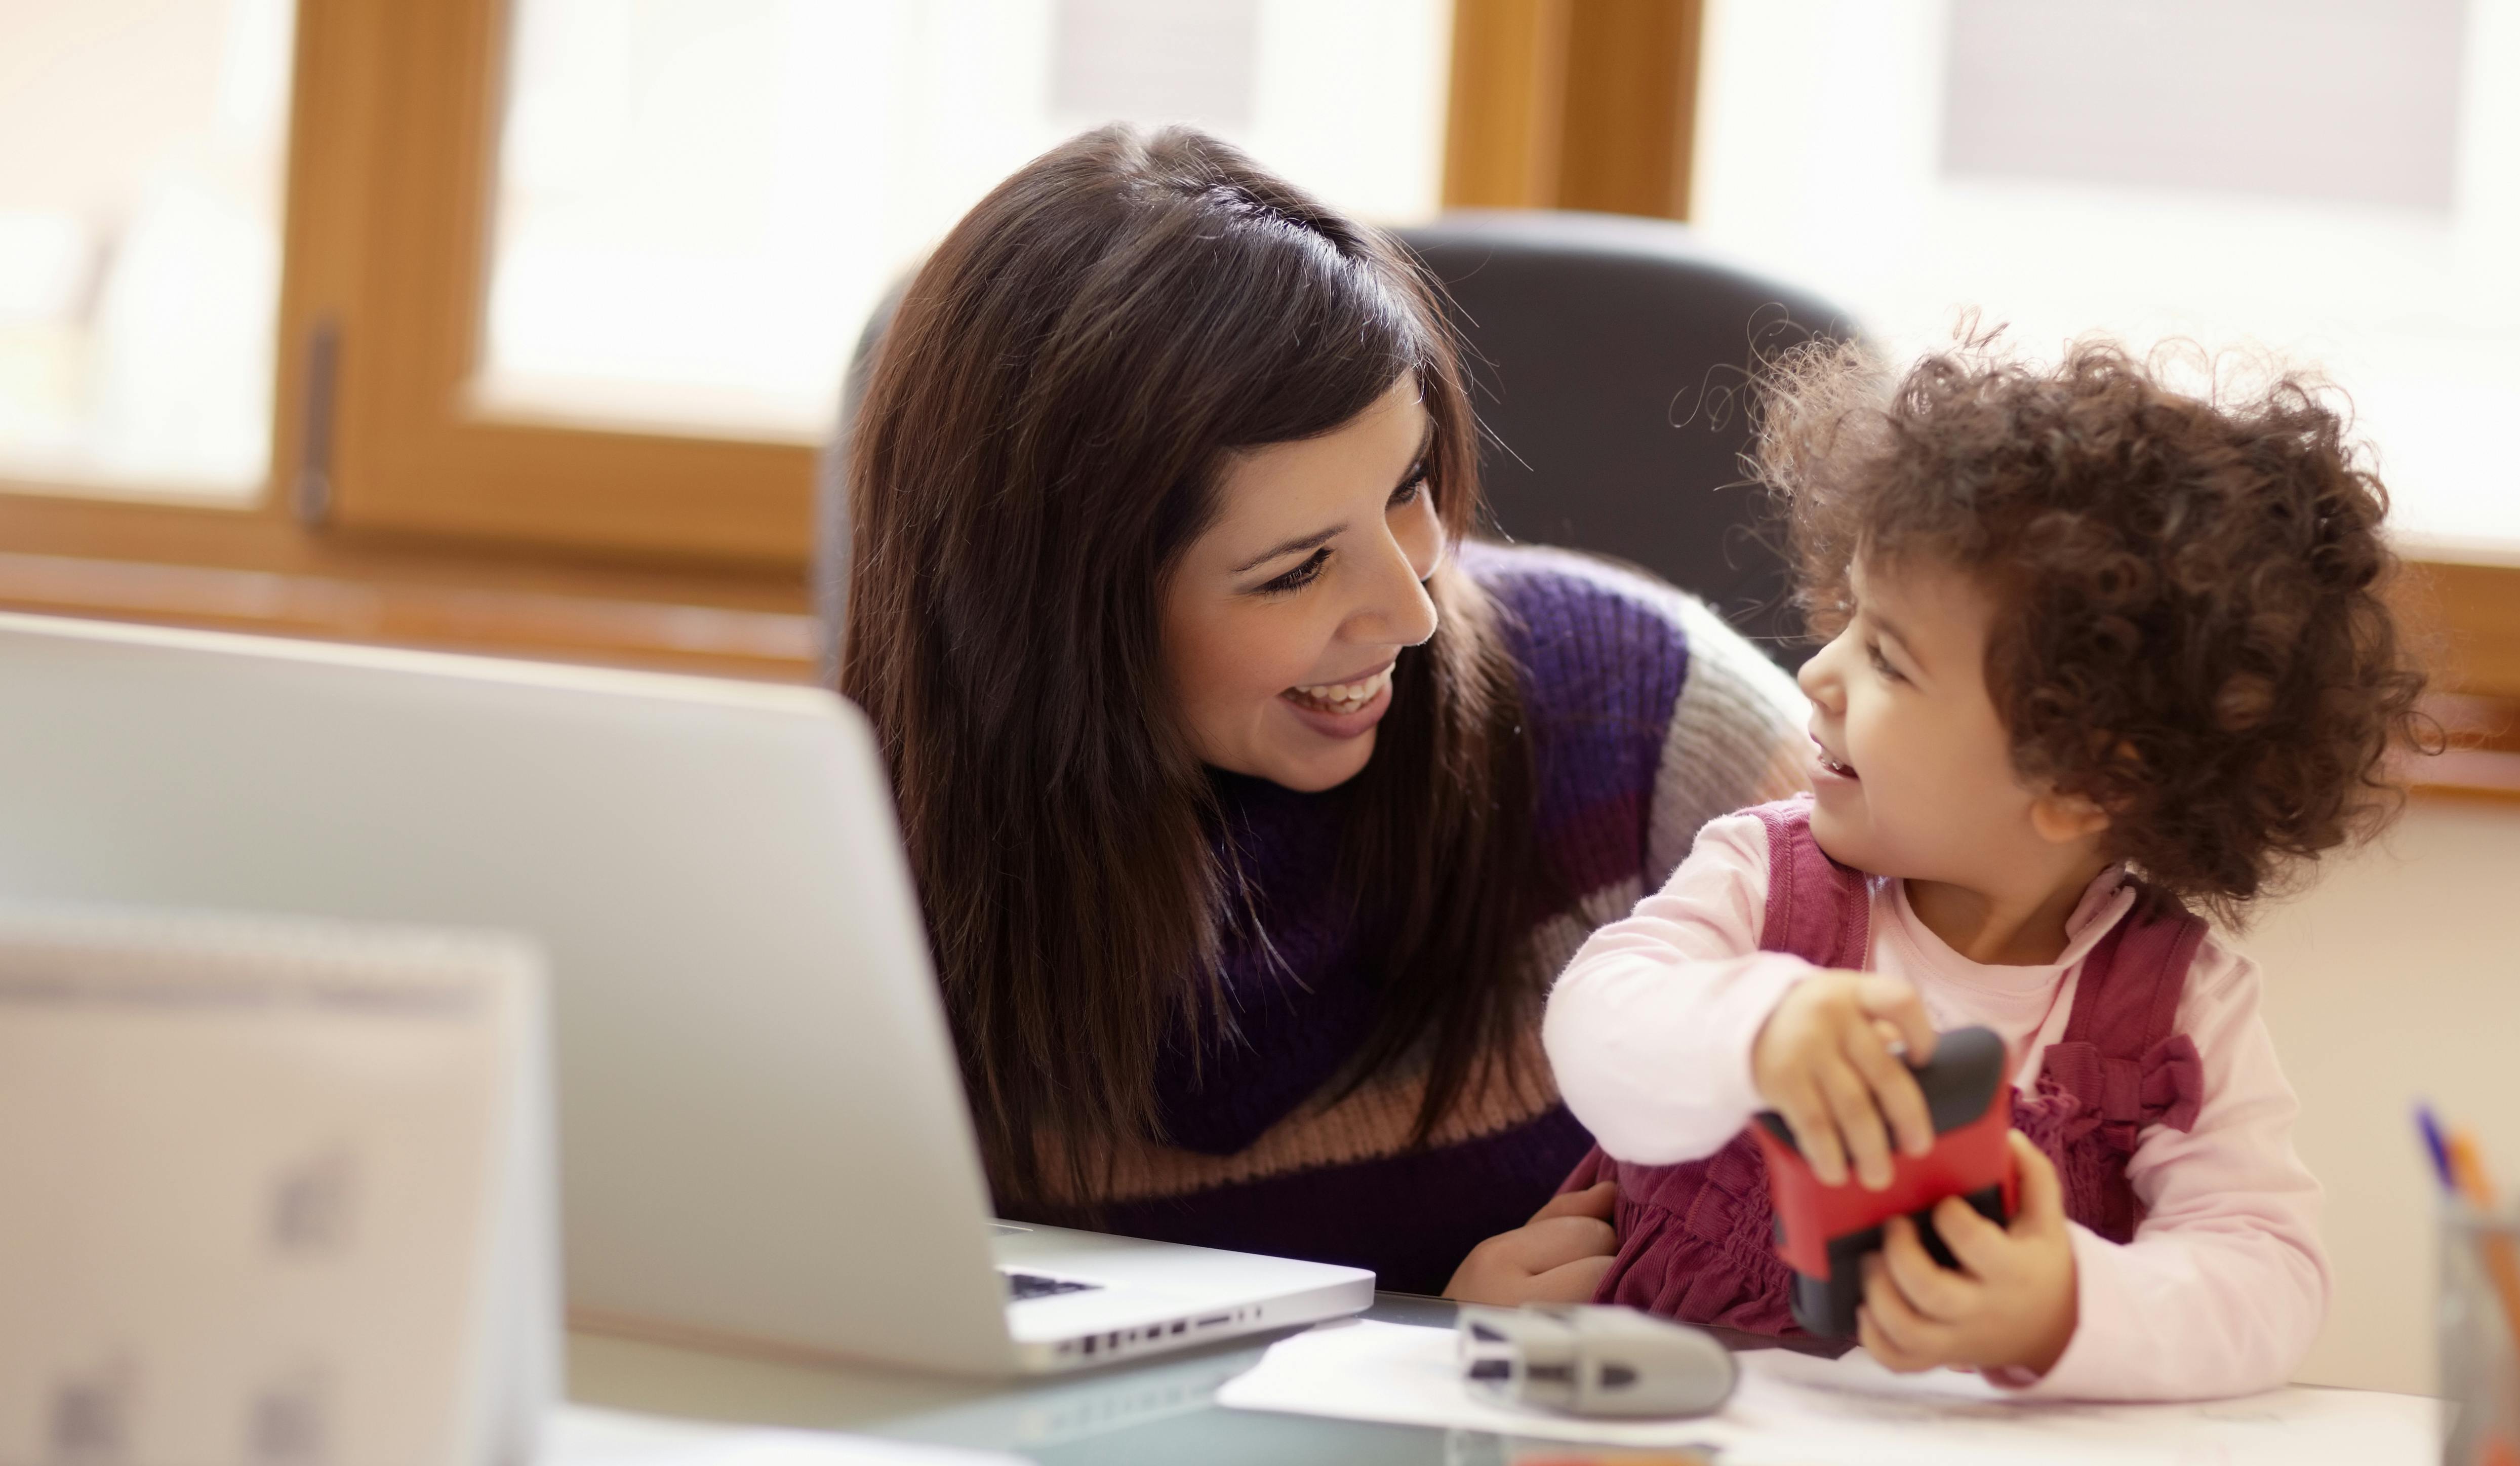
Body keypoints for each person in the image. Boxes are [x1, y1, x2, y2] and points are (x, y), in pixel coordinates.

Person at [840, 124, 1806, 1295]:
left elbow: (1976, 1095)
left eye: (1409, 486)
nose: (1414, 610)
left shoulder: (1648, 713)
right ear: (1051, 617)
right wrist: (1423, 1346)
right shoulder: (854, 863)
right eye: (1297, 569)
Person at [1541, 335, 2432, 1396]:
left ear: (2083, 781)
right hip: (1688, 1459)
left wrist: (2062, 1305)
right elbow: (1593, 1025)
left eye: (1888, 656)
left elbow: (2268, 1275)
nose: (1818, 672)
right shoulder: (1764, 878)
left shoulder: (2180, 1013)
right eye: (1848, 620)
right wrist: (1757, 1030)